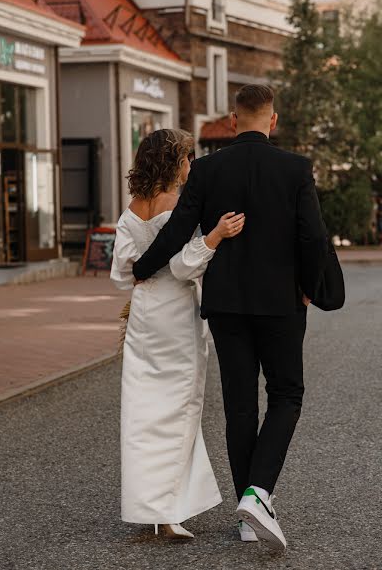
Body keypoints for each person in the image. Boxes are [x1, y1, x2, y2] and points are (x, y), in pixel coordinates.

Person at [132, 85, 328, 551]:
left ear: (233, 120)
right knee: (286, 395)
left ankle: (247, 513)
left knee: (240, 405)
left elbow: (180, 228)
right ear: (273, 121)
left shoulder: (207, 168)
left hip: (226, 305)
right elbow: (314, 237)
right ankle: (258, 496)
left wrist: (142, 268)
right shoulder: (296, 168)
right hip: (282, 303)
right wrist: (309, 288)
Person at [110, 128, 246, 540]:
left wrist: (142, 274)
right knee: (180, 408)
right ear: (175, 161)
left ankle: (149, 509)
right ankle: (168, 512)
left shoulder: (132, 209)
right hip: (176, 315)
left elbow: (121, 273)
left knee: (142, 413)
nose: (191, 165)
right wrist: (215, 237)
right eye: (187, 158)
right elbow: (186, 266)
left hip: (143, 316)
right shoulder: (180, 206)